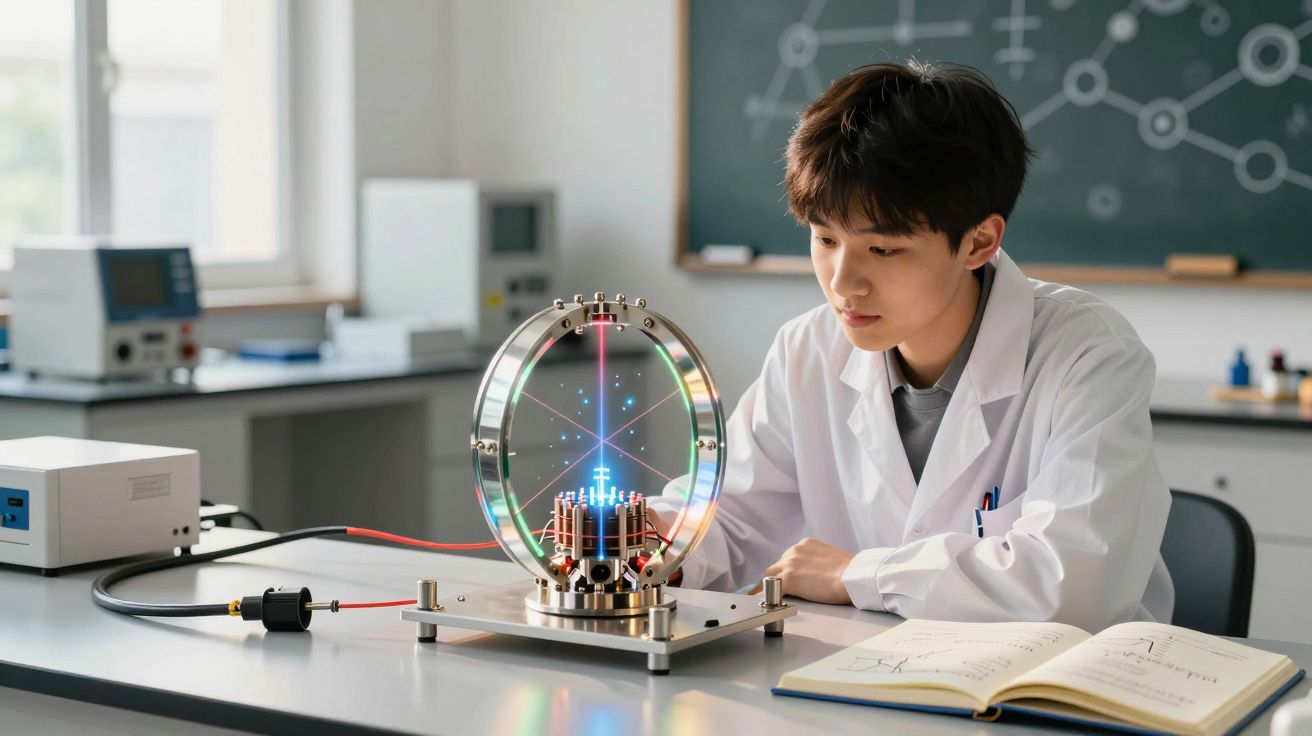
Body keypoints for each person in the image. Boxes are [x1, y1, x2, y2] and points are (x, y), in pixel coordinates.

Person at [653, 61, 1173, 632]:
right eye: (825, 239)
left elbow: (1071, 583)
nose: (842, 282)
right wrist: (654, 543)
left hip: (1050, 693)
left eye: (883, 251)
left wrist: (859, 575)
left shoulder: (1089, 356)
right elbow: (731, 519)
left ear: (979, 241)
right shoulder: (807, 349)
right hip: (863, 679)